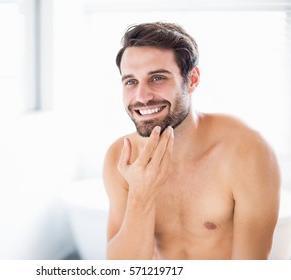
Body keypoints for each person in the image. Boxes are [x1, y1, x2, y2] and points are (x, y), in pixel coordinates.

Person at [103, 22, 280, 260]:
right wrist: (141, 194)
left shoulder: (245, 151)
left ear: (193, 79)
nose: (141, 96)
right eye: (131, 82)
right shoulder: (120, 157)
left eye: (157, 78)